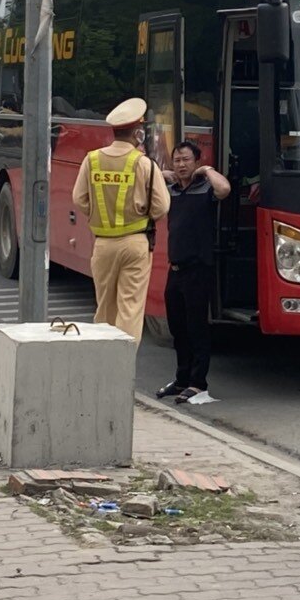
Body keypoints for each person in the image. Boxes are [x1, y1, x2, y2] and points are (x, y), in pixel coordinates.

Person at [72, 97, 170, 342]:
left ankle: (103, 361)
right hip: (136, 244)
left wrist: (98, 217)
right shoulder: (144, 163)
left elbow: (79, 198)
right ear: (137, 132)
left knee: (105, 307)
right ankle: (123, 368)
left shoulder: (92, 160)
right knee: (130, 309)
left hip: (103, 244)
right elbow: (162, 206)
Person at [157, 141, 230, 404]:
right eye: (177, 160)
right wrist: (160, 174)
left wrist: (207, 170)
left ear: (196, 161)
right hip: (175, 269)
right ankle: (181, 379)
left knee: (196, 327)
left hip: (199, 268)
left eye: (186, 160)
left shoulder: (206, 188)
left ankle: (198, 383)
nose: (181, 165)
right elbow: (142, 185)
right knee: (178, 327)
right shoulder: (171, 190)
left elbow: (225, 189)